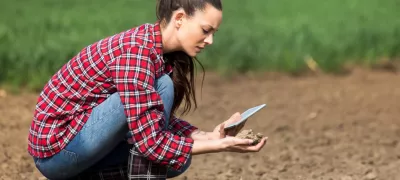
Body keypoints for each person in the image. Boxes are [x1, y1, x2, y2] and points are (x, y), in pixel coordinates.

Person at [28, 0, 268, 179]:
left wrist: (209, 136)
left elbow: (148, 114)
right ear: (180, 19)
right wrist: (220, 147)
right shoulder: (136, 52)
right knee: (162, 102)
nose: (210, 41)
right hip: (58, 154)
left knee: (177, 161)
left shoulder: (157, 52)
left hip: (79, 145)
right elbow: (150, 143)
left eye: (214, 33)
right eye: (206, 30)